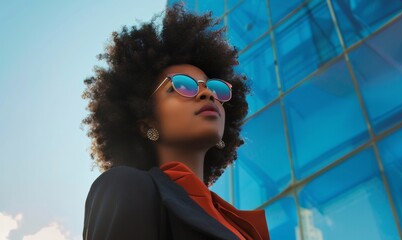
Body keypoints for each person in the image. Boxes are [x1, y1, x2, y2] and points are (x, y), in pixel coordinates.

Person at [81, 2, 270, 239]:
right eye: (182, 86)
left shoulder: (240, 224)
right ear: (148, 124)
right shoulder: (127, 186)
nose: (208, 93)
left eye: (215, 88)